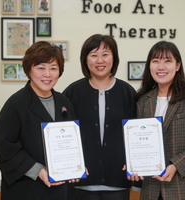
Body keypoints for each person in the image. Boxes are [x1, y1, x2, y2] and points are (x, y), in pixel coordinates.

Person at [130, 41, 185, 200]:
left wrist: (176, 165)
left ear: (177, 66)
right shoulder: (143, 101)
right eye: (155, 61)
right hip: (152, 191)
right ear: (149, 66)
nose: (161, 67)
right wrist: (133, 164)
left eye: (167, 61)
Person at [0, 41, 78, 200]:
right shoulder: (16, 104)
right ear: (29, 70)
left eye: (53, 68)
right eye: (41, 68)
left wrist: (76, 166)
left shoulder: (64, 102)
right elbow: (4, 147)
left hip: (62, 190)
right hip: (27, 189)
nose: (47, 74)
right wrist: (38, 170)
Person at [63, 34, 137, 200]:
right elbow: (61, 135)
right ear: (85, 59)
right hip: (80, 182)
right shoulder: (72, 92)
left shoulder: (127, 92)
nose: (99, 60)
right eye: (94, 55)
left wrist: (136, 162)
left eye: (105, 54)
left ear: (114, 58)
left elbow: (137, 135)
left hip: (118, 181)